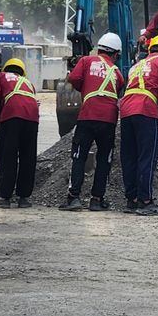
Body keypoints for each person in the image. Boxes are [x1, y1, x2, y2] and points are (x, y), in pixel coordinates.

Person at [59, 33, 125, 212]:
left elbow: (73, 79)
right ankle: (96, 200)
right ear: (116, 54)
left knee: (79, 156)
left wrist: (86, 88)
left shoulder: (87, 62)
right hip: (109, 120)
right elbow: (118, 89)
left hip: (87, 116)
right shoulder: (117, 72)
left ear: (99, 49)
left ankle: (74, 198)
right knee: (104, 159)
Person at [120, 35, 158, 216]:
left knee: (129, 156)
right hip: (146, 109)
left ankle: (132, 199)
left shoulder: (137, 65)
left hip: (126, 110)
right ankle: (145, 201)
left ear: (150, 50)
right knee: (147, 156)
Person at [0, 58, 39, 208]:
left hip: (12, 115)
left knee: (7, 155)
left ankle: (4, 197)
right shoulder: (28, 83)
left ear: (5, 68)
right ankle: (24, 198)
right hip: (32, 117)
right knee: (28, 156)